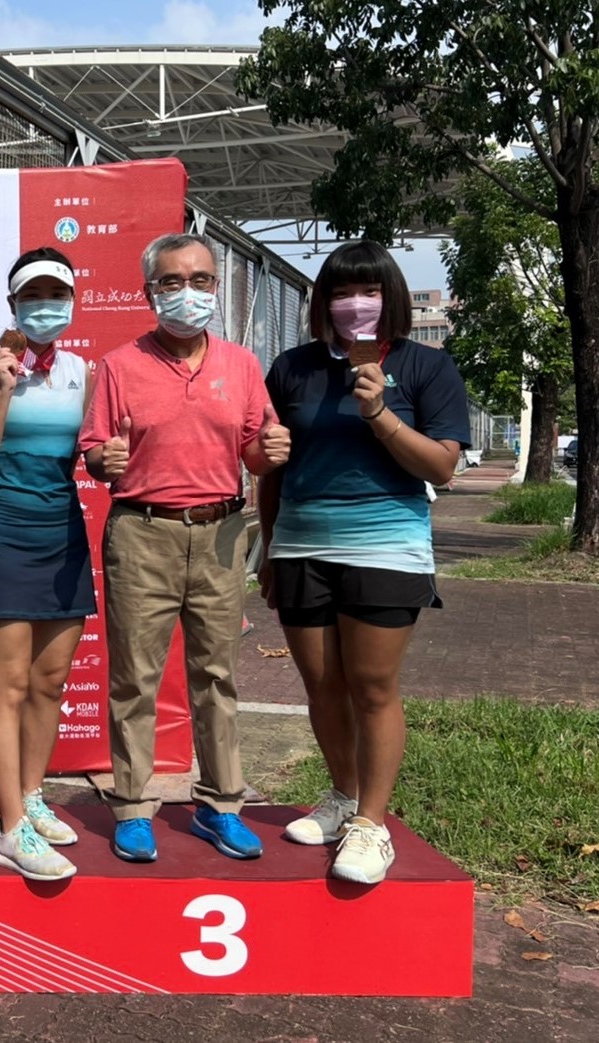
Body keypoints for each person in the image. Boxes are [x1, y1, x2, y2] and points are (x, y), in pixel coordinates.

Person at [258, 240, 470, 884]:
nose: (356, 304)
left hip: (385, 547)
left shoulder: (427, 366)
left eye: (369, 291)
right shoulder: (293, 368)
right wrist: (268, 548)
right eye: (343, 292)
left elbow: (441, 466)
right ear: (324, 301)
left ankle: (373, 826)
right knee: (323, 686)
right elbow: (273, 469)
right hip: (299, 545)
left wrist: (378, 411)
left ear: (392, 297)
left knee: (372, 686)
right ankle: (344, 798)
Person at [79, 232, 290, 863]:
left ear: (216, 288)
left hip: (223, 532)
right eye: (172, 282)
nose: (187, 293)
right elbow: (95, 451)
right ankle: (133, 807)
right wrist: (103, 458)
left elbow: (255, 445)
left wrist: (268, 453)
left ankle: (221, 805)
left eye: (200, 280)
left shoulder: (241, 366)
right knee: (134, 680)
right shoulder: (120, 366)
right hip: (143, 532)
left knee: (217, 675)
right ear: (150, 293)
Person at [0, 246, 96, 882]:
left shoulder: (82, 372)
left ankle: (33, 796)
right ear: (13, 305)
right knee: (8, 686)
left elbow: (88, 456)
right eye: (33, 297)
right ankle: (9, 828)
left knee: (50, 681)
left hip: (63, 534)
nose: (46, 307)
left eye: (57, 296)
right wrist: (4, 388)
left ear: (71, 304)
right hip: (4, 534)